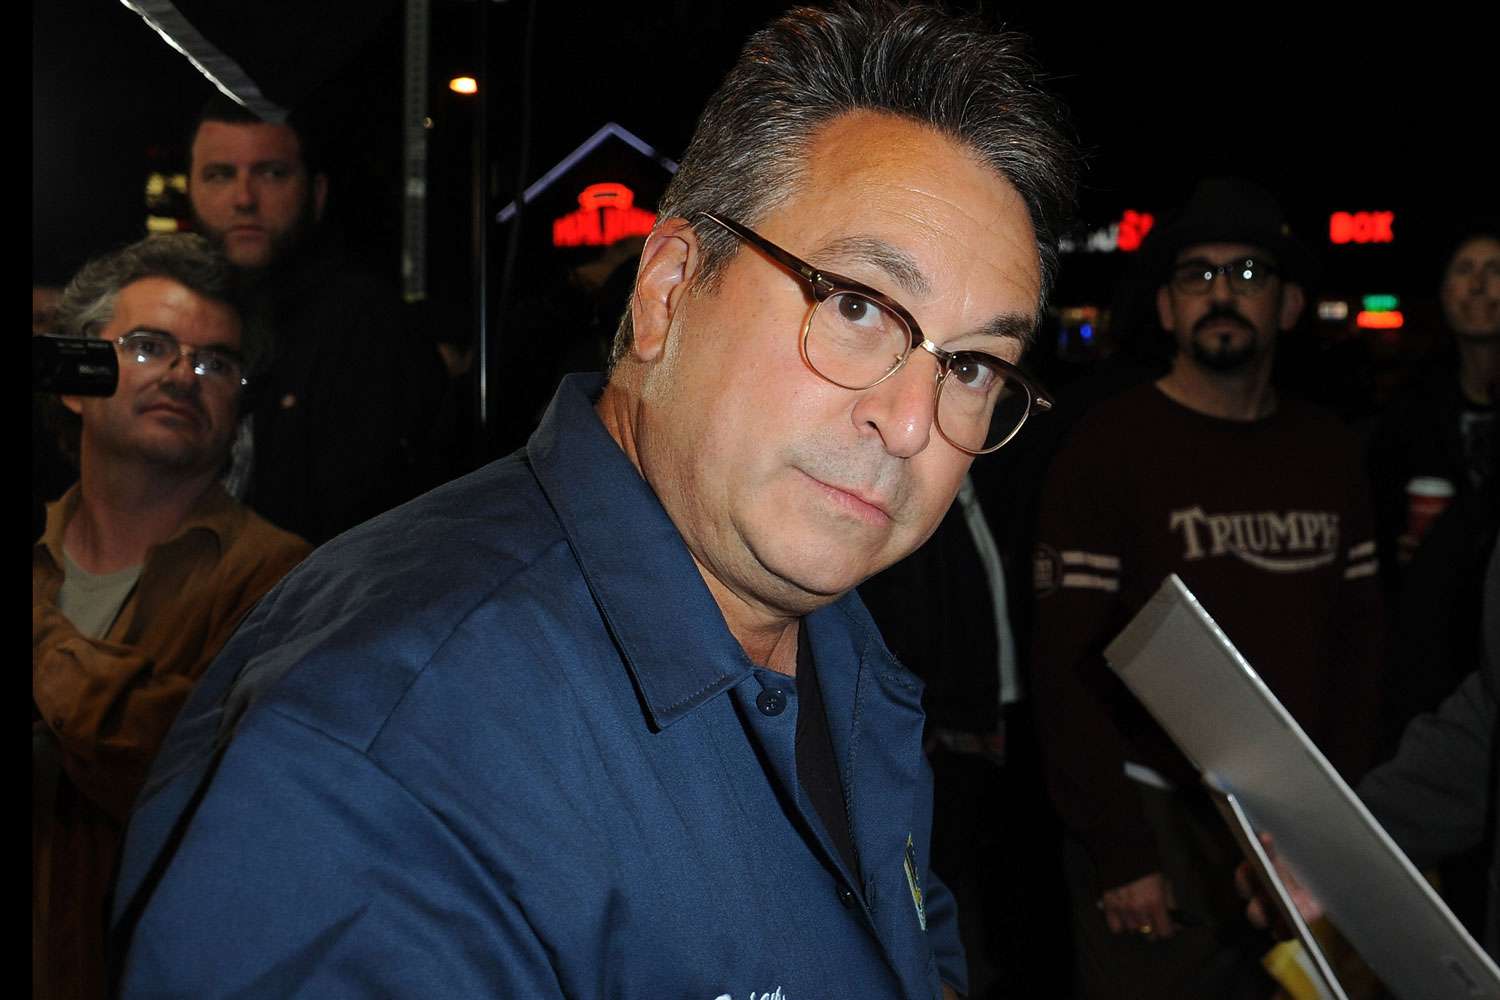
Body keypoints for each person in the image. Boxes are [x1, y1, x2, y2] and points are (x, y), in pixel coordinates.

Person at [108, 4, 1077, 996]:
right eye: (859, 307)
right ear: (665, 290)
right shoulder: (396, 750)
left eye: (970, 365)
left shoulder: (840, 647)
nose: (912, 423)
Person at [1028, 177, 1384, 999]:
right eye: (1198, 276)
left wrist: (1341, 824)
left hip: (1302, 820)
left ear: (1290, 307)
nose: (1223, 294)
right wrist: (1120, 852)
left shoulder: (1330, 451)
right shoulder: (1106, 447)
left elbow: (1362, 652)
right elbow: (1065, 667)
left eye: (1250, 276)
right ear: (1166, 309)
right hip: (1157, 819)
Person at [32, 234, 310, 999]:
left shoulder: (283, 581)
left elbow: (184, 777)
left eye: (215, 361)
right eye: (150, 346)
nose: (184, 377)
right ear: (73, 377)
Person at [187, 97, 449, 544]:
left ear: (317, 191)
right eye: (220, 174)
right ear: (190, 187)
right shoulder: (178, 320)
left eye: (272, 173)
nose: (244, 198)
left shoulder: (368, 326)